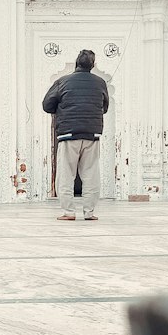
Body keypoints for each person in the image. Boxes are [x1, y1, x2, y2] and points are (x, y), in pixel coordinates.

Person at [43, 49, 109, 221]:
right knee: (91, 174)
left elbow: (47, 105)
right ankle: (89, 212)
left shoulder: (62, 81)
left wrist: (61, 107)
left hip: (68, 134)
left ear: (76, 63)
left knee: (66, 174)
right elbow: (105, 107)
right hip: (92, 134)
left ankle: (69, 212)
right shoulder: (100, 82)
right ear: (93, 65)